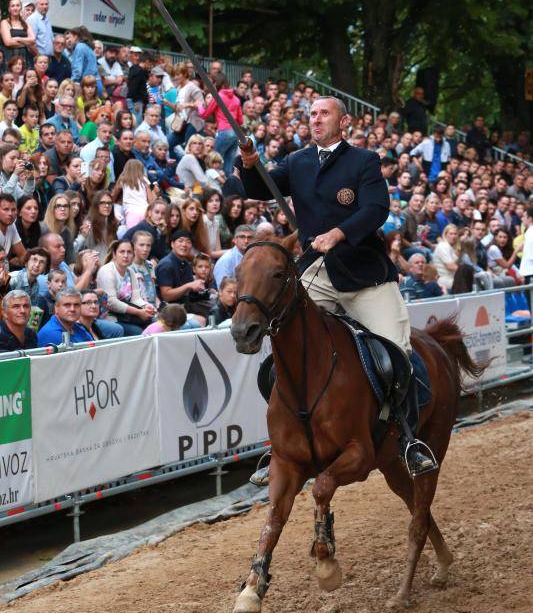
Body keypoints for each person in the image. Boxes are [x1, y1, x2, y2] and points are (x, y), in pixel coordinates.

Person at [239, 95, 436, 479]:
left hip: (365, 277)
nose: (315, 119)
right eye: (311, 114)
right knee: (286, 347)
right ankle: (282, 447)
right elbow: (260, 187)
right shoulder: (297, 162)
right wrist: (249, 166)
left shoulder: (363, 161)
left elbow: (376, 209)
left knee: (398, 354)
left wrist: (340, 232)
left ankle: (409, 440)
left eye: (323, 113)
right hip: (318, 274)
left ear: (343, 122)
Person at [96, 240, 156, 336]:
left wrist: (146, 306)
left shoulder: (130, 271)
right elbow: (111, 302)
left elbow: (136, 298)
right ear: (114, 254)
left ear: (133, 255)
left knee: (155, 321)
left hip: (128, 315)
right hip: (109, 316)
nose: (126, 255)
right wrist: (139, 312)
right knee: (138, 332)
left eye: (129, 252)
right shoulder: (107, 271)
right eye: (122, 252)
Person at [199, 73, 243, 176]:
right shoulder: (236, 99)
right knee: (229, 166)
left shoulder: (218, 96)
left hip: (224, 131)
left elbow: (205, 115)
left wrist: (199, 106)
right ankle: (228, 189)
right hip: (236, 133)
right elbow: (240, 121)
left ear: (216, 83)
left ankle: (212, 187)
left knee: (213, 160)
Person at [155, 229, 206, 307]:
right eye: (180, 241)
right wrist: (189, 285)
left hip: (184, 304)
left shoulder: (186, 263)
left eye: (188, 242)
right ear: (172, 244)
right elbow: (166, 296)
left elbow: (189, 292)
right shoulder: (166, 264)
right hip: (168, 309)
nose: (184, 244)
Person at [112, 158, 153, 229]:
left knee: (132, 235)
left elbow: (114, 194)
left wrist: (112, 201)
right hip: (145, 210)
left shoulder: (123, 179)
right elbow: (151, 199)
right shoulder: (144, 179)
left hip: (131, 211)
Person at [0, 0, 35, 68]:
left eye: (17, 5)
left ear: (21, 8)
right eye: (13, 6)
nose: (15, 8)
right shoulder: (5, 22)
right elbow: (8, 42)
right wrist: (26, 43)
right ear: (9, 9)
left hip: (24, 58)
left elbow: (33, 39)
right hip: (10, 58)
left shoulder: (25, 24)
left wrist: (18, 38)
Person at [0, 192, 26, 264]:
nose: (10, 214)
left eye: (13, 210)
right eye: (6, 209)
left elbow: (22, 255)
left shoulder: (11, 226)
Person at [432, 224, 459, 291]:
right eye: (451, 234)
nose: (453, 236)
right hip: (444, 279)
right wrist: (466, 271)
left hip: (452, 277)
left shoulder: (451, 247)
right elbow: (450, 266)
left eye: (455, 234)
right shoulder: (443, 246)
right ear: (445, 234)